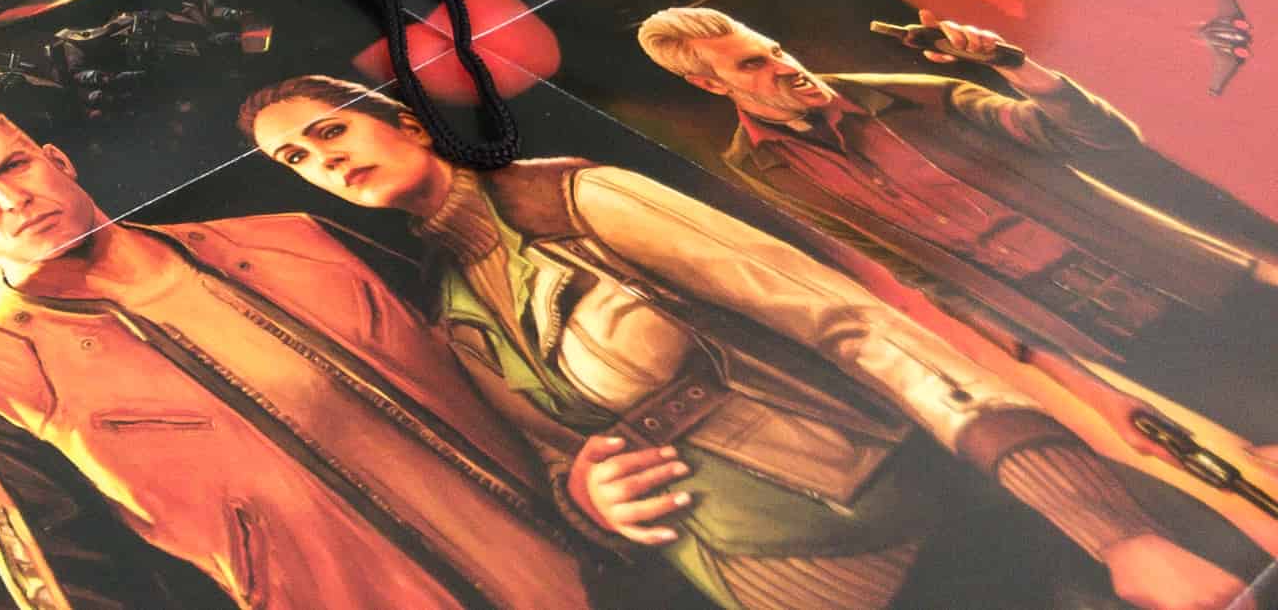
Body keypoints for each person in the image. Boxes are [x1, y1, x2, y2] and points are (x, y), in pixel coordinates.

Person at [246, 76, 1245, 610]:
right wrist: (588, 498)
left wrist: (1115, 531)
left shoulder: (581, 197)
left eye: (331, 132)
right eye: (296, 159)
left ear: (408, 124)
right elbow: (552, 461)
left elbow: (855, 326)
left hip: (934, 530)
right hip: (758, 585)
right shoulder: (449, 307)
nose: (323, 161)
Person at [0, 106, 600, 610]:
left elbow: (523, 352)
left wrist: (586, 472)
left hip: (607, 562)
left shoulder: (299, 239)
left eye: (15, 165)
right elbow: (80, 595)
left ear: (55, 160)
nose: (8, 198)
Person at [636, 6, 1278, 463]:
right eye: (755, 64)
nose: (786, 66)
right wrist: (1098, 395)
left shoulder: (917, 97)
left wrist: (1015, 65)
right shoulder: (758, 168)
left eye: (777, 49)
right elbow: (935, 284)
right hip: (1116, 341)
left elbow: (1100, 139)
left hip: (1196, 283)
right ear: (709, 84)